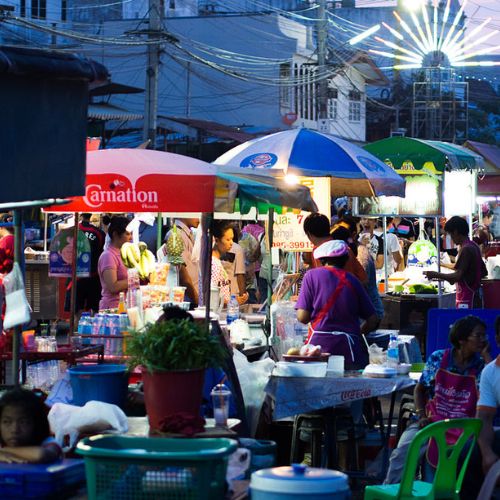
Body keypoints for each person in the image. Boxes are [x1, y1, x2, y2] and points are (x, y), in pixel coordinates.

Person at [384, 315, 489, 484]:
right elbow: (420, 389)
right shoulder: (438, 358)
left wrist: (487, 358)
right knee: (402, 453)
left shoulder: (482, 366)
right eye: (478, 335)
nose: (483, 340)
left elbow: (492, 388)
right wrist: (421, 415)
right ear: (462, 339)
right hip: (431, 421)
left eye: (485, 335)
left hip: (463, 427)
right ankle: (393, 492)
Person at [296, 240, 379, 370]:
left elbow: (302, 317)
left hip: (318, 350)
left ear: (322, 260)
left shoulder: (311, 276)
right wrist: (356, 333)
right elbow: (373, 320)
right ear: (346, 259)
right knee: (348, 388)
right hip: (349, 349)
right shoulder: (354, 281)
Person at [424, 216, 487, 309]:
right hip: (475, 295)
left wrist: (435, 274)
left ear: (456, 232)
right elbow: (483, 271)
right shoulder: (473, 245)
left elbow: (457, 276)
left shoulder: (466, 249)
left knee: (466, 323)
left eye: (450, 234)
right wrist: (442, 264)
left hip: (468, 298)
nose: (451, 239)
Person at [0, 388, 62, 463]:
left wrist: (5, 450)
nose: (14, 430)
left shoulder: (48, 443)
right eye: (7, 422)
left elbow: (40, 455)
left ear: (37, 424)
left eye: (23, 422)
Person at [304, 212, 367, 284]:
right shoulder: (344, 248)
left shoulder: (317, 252)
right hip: (349, 293)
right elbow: (364, 279)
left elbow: (319, 284)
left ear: (309, 234)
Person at [65, 213, 105, 315]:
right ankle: (93, 329)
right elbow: (101, 253)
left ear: (80, 216)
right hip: (93, 276)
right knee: (95, 311)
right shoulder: (99, 233)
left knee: (76, 312)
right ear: (91, 215)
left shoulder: (70, 232)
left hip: (76, 277)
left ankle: (76, 329)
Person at [160, 218, 200, 306]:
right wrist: (197, 300)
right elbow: (182, 274)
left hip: (191, 297)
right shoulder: (175, 235)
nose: (199, 217)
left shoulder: (187, 234)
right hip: (184, 300)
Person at [97, 216, 131, 310]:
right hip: (112, 309)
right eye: (127, 234)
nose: (130, 237)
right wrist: (134, 280)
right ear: (116, 234)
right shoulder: (108, 256)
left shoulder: (124, 254)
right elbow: (113, 286)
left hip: (125, 305)